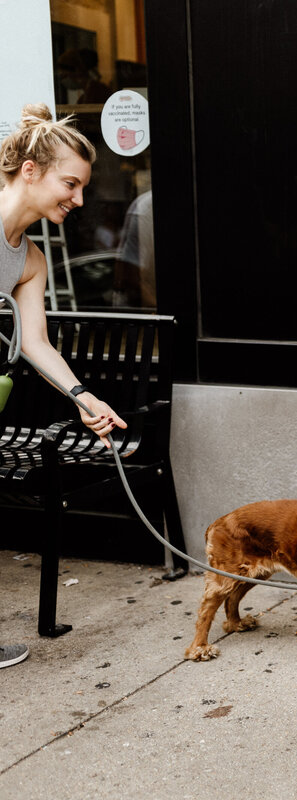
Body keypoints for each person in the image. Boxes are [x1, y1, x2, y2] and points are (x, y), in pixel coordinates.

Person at [1, 104, 128, 663]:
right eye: (69, 183)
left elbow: (36, 344)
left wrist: (82, 397)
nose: (77, 200)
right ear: (30, 170)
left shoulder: (28, 259)